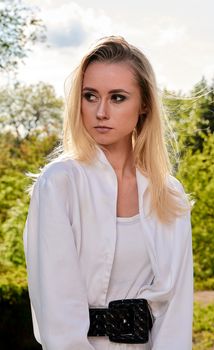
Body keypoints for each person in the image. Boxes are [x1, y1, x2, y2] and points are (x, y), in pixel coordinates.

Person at [23, 36, 193, 350]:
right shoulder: (58, 184)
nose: (101, 111)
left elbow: (177, 312)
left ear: (143, 105)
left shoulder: (169, 194)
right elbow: (57, 317)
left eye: (117, 98)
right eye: (90, 96)